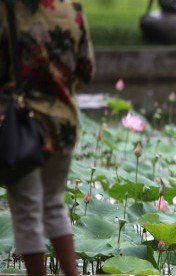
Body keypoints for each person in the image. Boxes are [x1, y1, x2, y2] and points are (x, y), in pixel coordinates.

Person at [0, 0, 95, 275]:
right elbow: (86, 71)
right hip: (63, 122)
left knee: (28, 211)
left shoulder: (8, 10)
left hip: (20, 125)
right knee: (53, 205)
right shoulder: (72, 8)